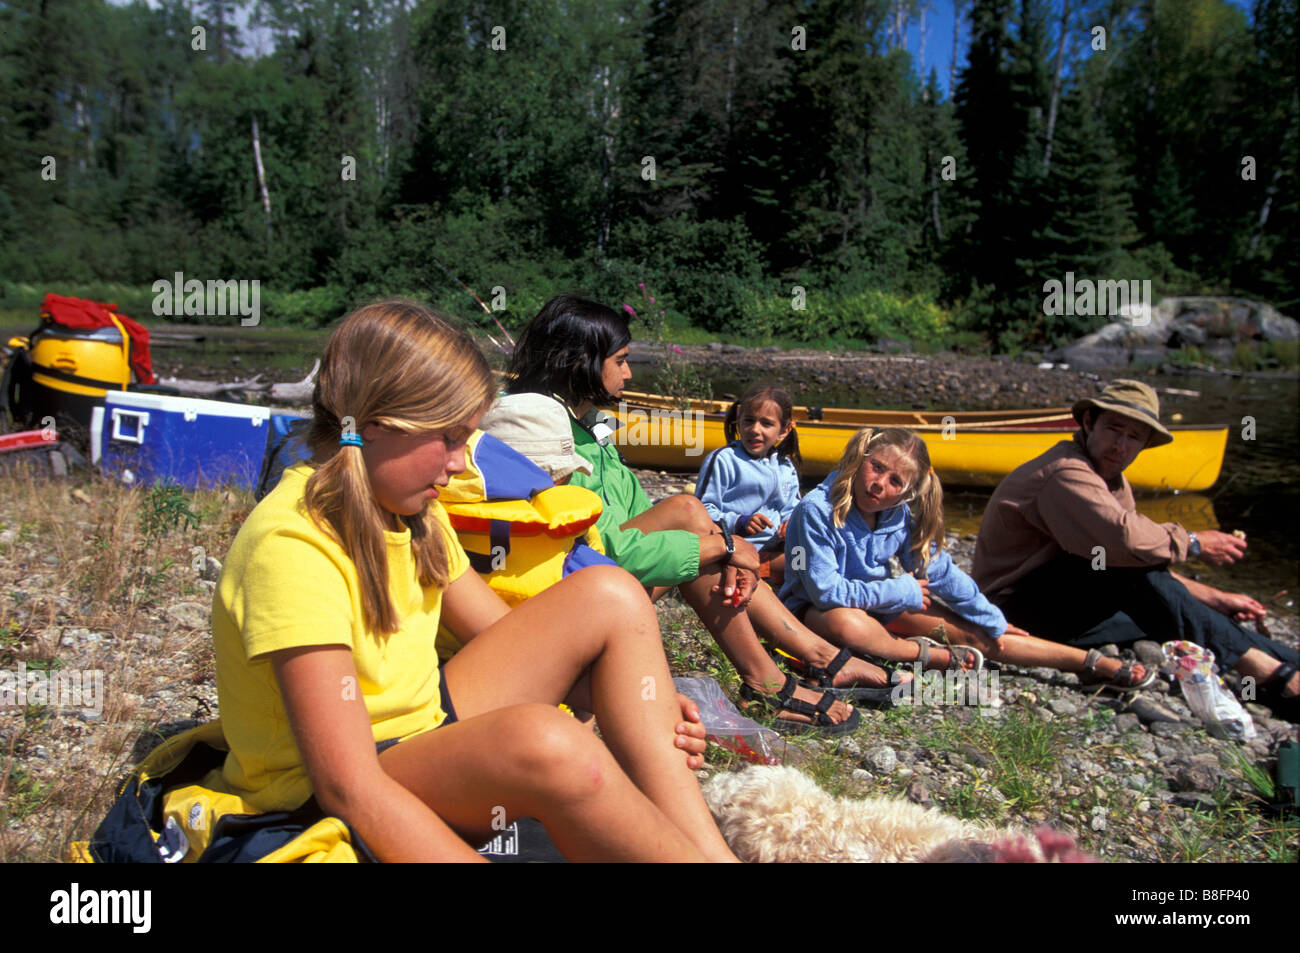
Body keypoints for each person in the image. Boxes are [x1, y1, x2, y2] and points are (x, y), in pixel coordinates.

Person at [212, 299, 738, 861]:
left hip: (424, 726)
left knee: (612, 593)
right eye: (450, 438)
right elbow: (346, 785)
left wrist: (638, 698)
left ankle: (709, 854)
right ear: (374, 423)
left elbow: (503, 635)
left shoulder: (412, 509)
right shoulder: (293, 545)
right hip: (330, 787)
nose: (463, 464)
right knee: (553, 745)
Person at [508, 293, 899, 735]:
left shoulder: (590, 429)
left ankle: (805, 661)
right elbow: (601, 551)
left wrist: (722, 550)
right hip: (573, 594)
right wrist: (723, 544)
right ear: (581, 362)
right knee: (690, 513)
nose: (629, 372)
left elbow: (641, 516)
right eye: (621, 360)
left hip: (603, 579)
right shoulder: (548, 441)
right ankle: (778, 676)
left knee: (690, 516)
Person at [972, 379, 1299, 719]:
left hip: (1062, 608)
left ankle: (1288, 662)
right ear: (1088, 424)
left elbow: (1142, 563)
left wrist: (1215, 597)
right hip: (1010, 614)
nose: (1121, 445)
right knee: (1115, 568)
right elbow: (1123, 543)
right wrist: (1196, 542)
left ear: (1144, 445)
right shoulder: (1066, 472)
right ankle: (1273, 676)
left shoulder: (1111, 478)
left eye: (1134, 437)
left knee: (1177, 615)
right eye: (1114, 429)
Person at [781, 426, 1158, 688]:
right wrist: (901, 592)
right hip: (814, 611)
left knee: (980, 634)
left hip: (881, 603)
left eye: (896, 481)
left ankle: (1087, 662)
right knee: (848, 624)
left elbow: (942, 572)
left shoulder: (897, 514)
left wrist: (991, 617)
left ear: (909, 491)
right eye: (876, 467)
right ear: (860, 457)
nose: (880, 484)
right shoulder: (817, 509)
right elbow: (825, 593)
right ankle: (925, 657)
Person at [695, 383, 802, 587]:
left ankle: (766, 574)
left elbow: (794, 507)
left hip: (770, 550)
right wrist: (740, 522)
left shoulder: (785, 467)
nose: (755, 430)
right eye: (749, 421)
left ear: (784, 430)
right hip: (733, 547)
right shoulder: (724, 460)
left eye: (766, 424)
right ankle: (754, 572)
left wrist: (791, 523)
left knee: (804, 558)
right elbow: (701, 512)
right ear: (739, 421)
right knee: (799, 565)